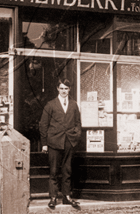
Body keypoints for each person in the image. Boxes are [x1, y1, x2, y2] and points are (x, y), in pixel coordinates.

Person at [39, 78, 82, 210]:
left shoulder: (74, 104)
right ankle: (53, 197)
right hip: (54, 142)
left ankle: (67, 196)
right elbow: (43, 125)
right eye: (62, 88)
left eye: (66, 88)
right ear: (58, 89)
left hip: (69, 142)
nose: (64, 91)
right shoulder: (50, 104)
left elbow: (78, 123)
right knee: (53, 171)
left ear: (69, 90)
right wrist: (44, 143)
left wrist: (75, 136)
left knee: (67, 170)